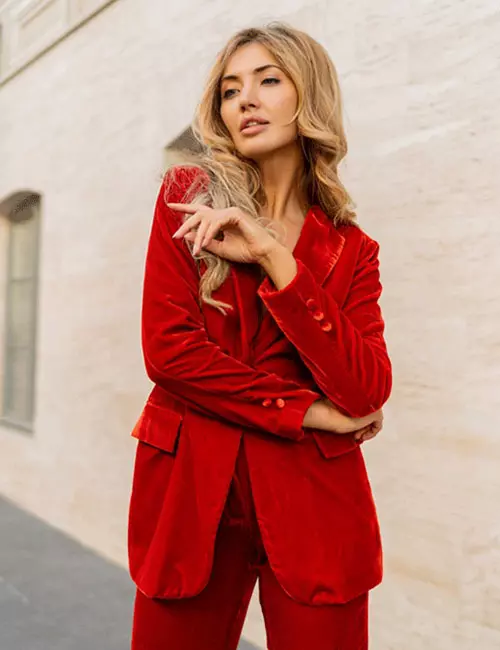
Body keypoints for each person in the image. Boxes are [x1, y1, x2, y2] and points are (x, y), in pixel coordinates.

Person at [128, 22, 392, 650]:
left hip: (315, 498)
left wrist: (277, 259)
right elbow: (169, 353)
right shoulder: (186, 199)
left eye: (268, 80)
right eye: (229, 89)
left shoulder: (352, 250)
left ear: (310, 96)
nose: (244, 99)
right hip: (191, 486)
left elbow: (367, 387)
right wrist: (304, 412)